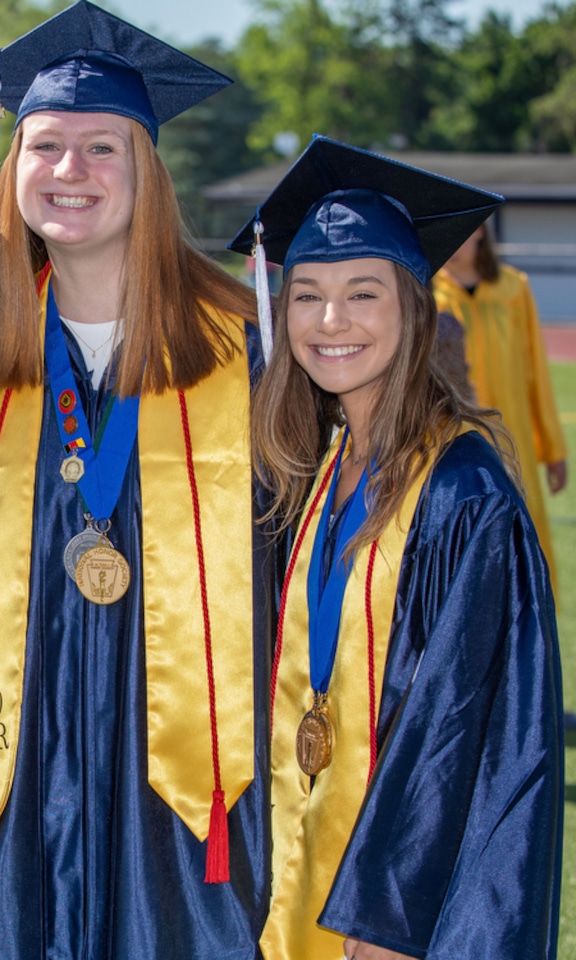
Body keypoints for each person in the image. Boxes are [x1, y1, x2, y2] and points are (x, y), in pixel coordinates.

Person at [0, 3, 273, 956]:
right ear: (11, 177)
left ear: (148, 174)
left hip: (191, 802)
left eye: (102, 148)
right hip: (11, 791)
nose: (69, 172)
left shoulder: (249, 362)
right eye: (45, 147)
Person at [234, 135, 563, 960]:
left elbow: (460, 732)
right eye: (306, 295)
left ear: (417, 308)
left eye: (362, 293)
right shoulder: (322, 469)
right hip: (302, 868)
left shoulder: (464, 497)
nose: (329, 321)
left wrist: (390, 922)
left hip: (396, 914)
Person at [433, 224, 567, 591]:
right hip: (458, 432)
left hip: (515, 432)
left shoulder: (513, 287)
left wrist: (553, 449)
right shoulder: (430, 293)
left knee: (526, 519)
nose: (456, 246)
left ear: (480, 234)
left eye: (465, 234)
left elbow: (535, 368)